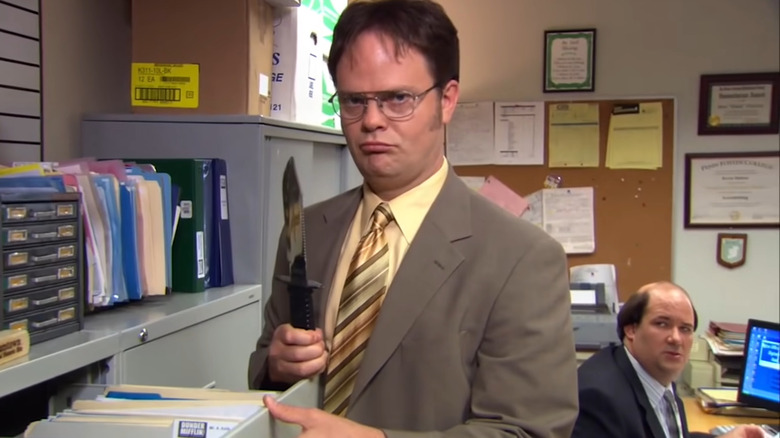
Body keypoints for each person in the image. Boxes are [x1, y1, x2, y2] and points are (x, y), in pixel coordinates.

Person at [247, 0, 578, 436]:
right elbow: (264, 372)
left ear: (447, 100)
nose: (371, 121)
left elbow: (525, 432)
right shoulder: (307, 230)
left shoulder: (522, 259)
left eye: (398, 99)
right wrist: (276, 365)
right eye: (353, 101)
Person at [572, 281, 766, 438]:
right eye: (662, 324)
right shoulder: (599, 398)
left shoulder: (656, 372)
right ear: (631, 329)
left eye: (685, 329)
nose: (676, 338)